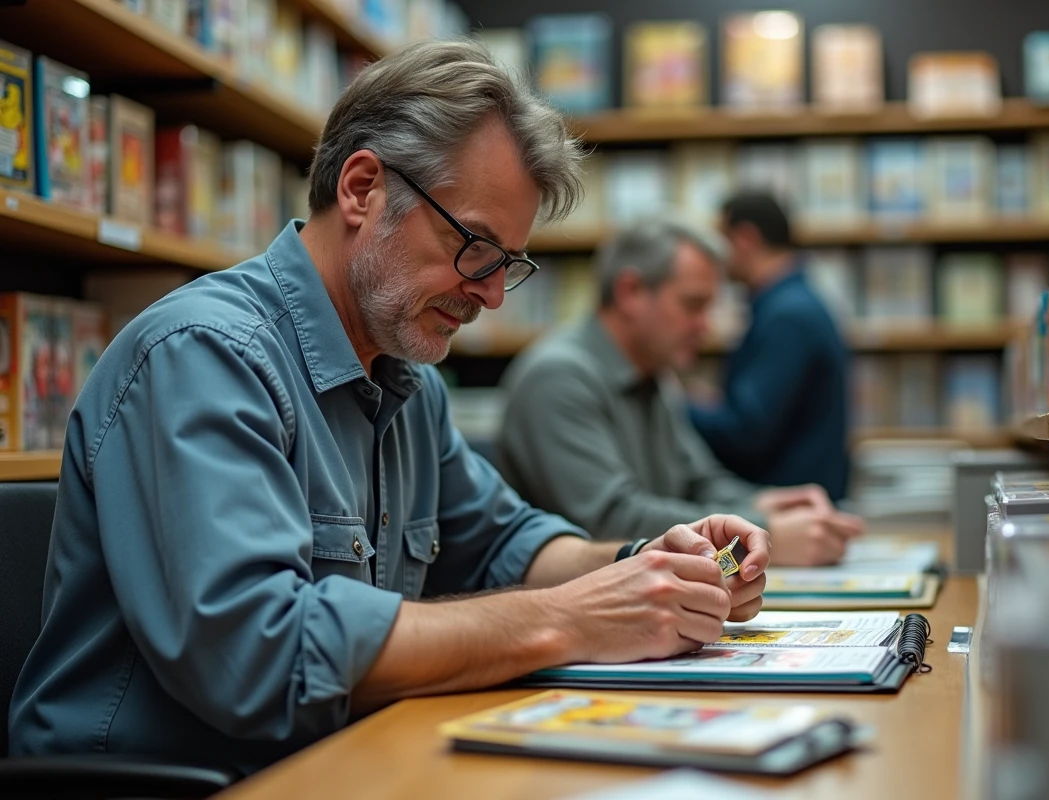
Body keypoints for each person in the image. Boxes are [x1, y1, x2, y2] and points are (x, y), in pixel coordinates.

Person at [8, 41, 768, 775]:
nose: (492, 293)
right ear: (362, 189)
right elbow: (260, 656)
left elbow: (506, 544)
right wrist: (569, 619)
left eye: (508, 263)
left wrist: (655, 565)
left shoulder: (406, 378)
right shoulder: (203, 356)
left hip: (339, 760)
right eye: (474, 245)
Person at [496, 219, 863, 567]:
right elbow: (610, 519)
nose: (706, 325)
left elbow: (698, 482)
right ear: (630, 292)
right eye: (693, 304)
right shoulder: (556, 376)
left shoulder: (653, 374)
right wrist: (766, 532)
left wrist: (763, 504)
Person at [689, 193, 851, 501]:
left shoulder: (787, 316)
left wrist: (674, 403)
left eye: (720, 239)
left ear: (745, 238)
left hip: (789, 510)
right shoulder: (791, 304)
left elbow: (746, 432)